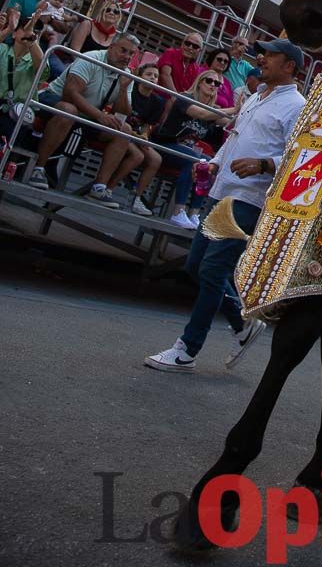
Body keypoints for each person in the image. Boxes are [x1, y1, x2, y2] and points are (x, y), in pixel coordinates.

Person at [144, 39, 306, 373]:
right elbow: (235, 137)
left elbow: (302, 157)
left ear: (289, 66)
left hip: (248, 199)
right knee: (196, 266)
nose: (261, 58)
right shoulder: (256, 96)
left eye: (270, 55)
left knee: (213, 269)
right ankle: (243, 324)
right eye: (262, 53)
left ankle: (187, 349)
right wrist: (214, 163)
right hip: (221, 191)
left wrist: (265, 165)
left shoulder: (297, 106)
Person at [27, 33, 143, 204]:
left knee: (124, 129)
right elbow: (70, 93)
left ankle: (99, 187)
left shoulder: (126, 74)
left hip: (87, 114)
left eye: (131, 53)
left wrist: (124, 89)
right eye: (123, 50)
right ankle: (38, 168)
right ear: (111, 47)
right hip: (55, 99)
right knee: (69, 110)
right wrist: (99, 115)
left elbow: (122, 113)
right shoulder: (91, 58)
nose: (127, 57)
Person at [150, 69, 236, 228]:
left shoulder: (212, 110)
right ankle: (178, 212)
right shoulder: (185, 99)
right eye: (208, 81)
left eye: (217, 84)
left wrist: (247, 111)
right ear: (199, 82)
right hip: (163, 144)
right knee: (194, 161)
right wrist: (235, 109)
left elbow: (230, 124)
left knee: (210, 165)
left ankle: (194, 213)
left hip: (185, 150)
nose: (212, 85)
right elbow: (202, 114)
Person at [105, 63, 165, 215]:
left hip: (136, 136)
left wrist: (144, 136)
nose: (152, 78)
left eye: (156, 76)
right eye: (149, 74)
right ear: (139, 77)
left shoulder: (158, 101)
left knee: (156, 159)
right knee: (137, 156)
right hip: (120, 130)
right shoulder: (131, 91)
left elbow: (147, 125)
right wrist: (134, 135)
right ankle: (108, 188)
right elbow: (117, 115)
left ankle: (135, 198)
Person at [0, 17, 45, 139]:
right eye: (25, 28)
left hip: (14, 114)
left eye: (35, 31)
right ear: (14, 34)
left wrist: (32, 41)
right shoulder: (3, 49)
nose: (30, 32)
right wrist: (8, 29)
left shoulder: (38, 60)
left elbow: (42, 71)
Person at [157, 32, 204, 103]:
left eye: (195, 46)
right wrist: (175, 97)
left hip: (179, 101)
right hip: (161, 96)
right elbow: (165, 75)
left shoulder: (196, 68)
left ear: (199, 51)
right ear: (182, 44)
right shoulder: (170, 53)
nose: (190, 47)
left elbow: (192, 90)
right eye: (187, 43)